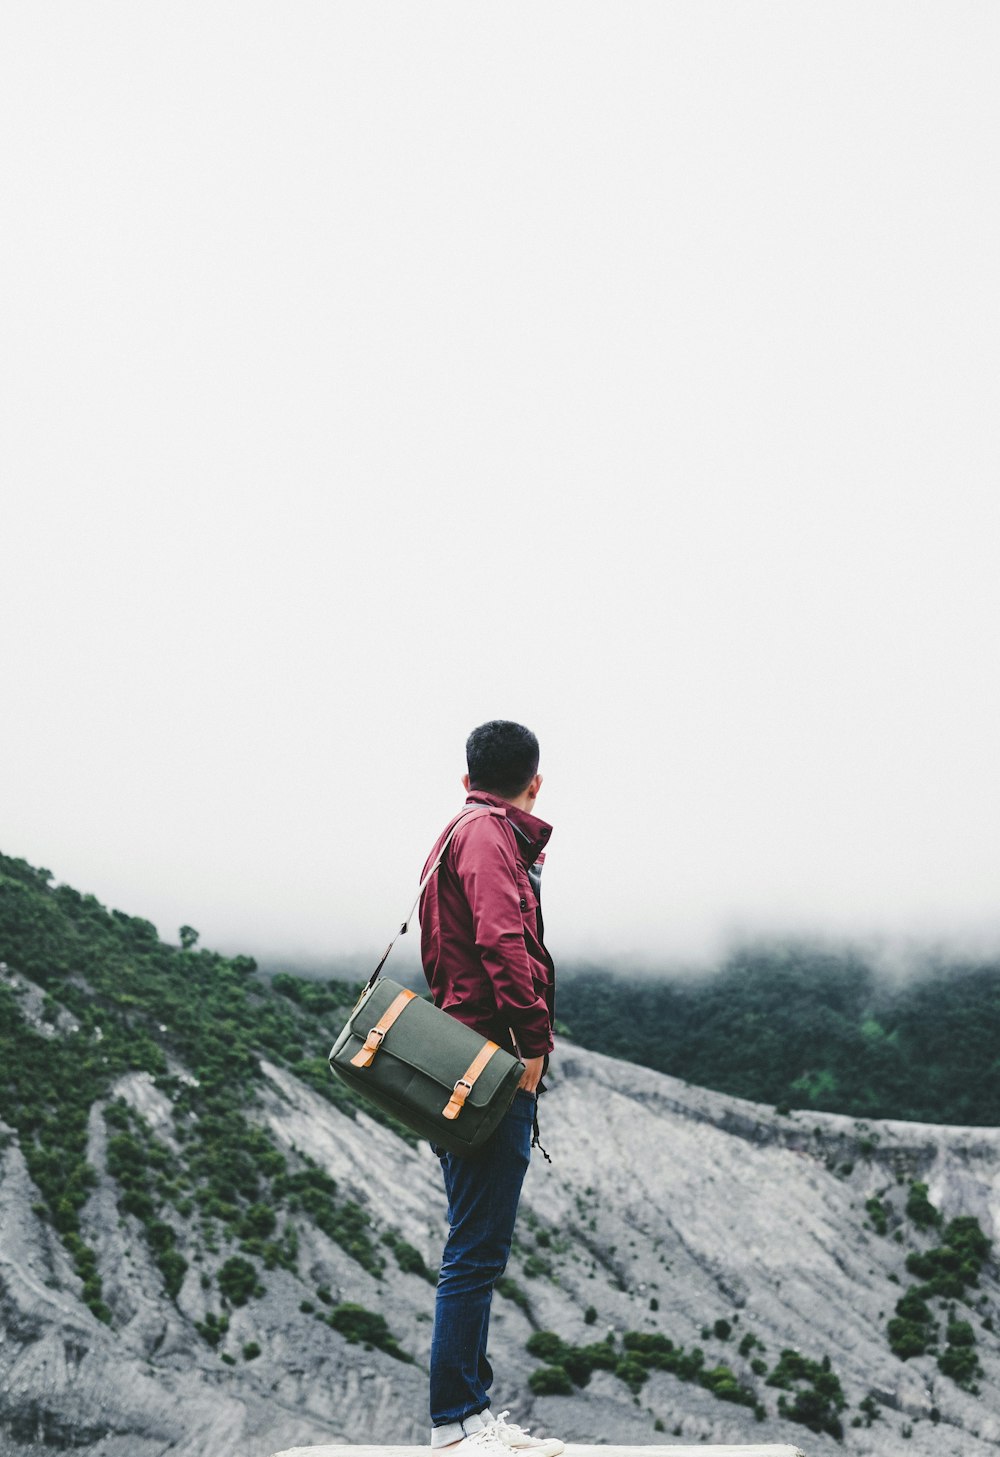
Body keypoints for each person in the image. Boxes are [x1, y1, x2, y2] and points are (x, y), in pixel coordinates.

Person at [419, 721, 563, 1457]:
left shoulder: (464, 830)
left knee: (475, 1244)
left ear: (467, 773)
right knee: (475, 1250)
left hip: (466, 1057)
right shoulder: (487, 836)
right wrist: (532, 1042)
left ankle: (468, 1415)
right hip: (488, 1062)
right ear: (533, 781)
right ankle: (457, 1420)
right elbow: (503, 942)